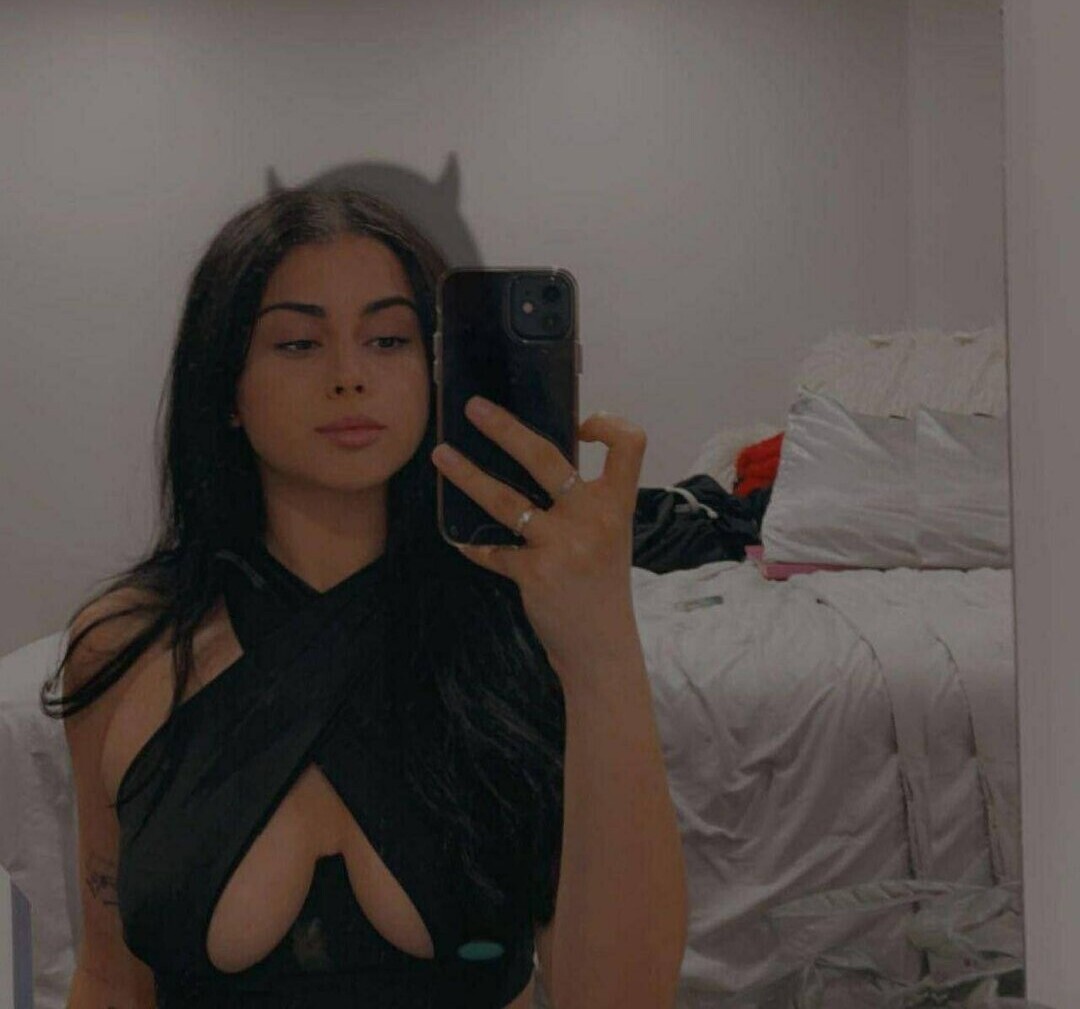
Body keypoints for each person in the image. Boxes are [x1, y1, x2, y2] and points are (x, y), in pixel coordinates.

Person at [43, 186, 688, 1008]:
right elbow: (109, 979)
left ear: (436, 369)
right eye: (298, 342)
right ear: (226, 387)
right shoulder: (122, 648)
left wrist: (602, 642)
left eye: (388, 339)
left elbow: (619, 999)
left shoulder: (522, 629)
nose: (350, 377)